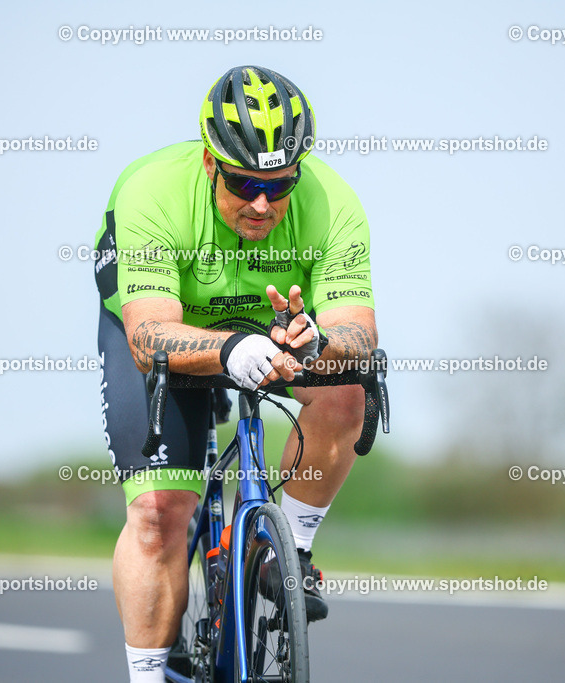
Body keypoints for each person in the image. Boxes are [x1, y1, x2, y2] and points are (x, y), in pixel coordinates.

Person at [93, 64, 377, 682]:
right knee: (159, 512)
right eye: (245, 182)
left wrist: (319, 342)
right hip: (169, 325)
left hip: (273, 326)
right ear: (207, 161)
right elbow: (147, 335)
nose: (262, 202)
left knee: (350, 388)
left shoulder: (333, 202)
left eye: (279, 185)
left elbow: (358, 332)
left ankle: (289, 550)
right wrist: (226, 352)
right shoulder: (151, 192)